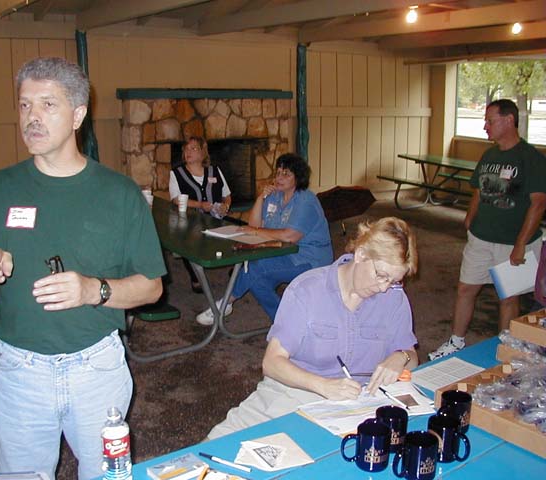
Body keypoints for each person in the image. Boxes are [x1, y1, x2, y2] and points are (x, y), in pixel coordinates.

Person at [0, 57, 166, 479]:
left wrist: (91, 290)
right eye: (24, 105)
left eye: (47, 104)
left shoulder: (119, 194)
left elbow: (152, 288)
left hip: (97, 370)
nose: (32, 117)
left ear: (78, 115)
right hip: (20, 373)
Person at [206, 217, 419, 439]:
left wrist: (401, 356)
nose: (384, 288)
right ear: (361, 254)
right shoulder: (307, 290)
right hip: (296, 391)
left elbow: (412, 358)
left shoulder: (395, 298)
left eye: (394, 281)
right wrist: (324, 386)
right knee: (217, 444)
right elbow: (272, 363)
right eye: (381, 275)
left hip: (361, 403)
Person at [429, 99, 546, 360]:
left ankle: (504, 349)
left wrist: (520, 245)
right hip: (481, 238)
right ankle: (456, 342)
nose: (485, 126)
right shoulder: (489, 155)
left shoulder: (531, 159)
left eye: (490, 121)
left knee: (508, 297)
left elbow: (538, 204)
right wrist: (470, 219)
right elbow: (479, 190)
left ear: (509, 120)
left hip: (513, 243)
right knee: (465, 288)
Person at [196, 153, 333, 325]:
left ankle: (225, 303)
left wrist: (255, 231)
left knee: (255, 269)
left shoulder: (306, 201)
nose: (279, 178)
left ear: (298, 178)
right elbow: (253, 225)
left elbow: (289, 236)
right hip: (281, 252)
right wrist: (261, 198)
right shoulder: (274, 196)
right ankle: (286, 323)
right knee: (255, 279)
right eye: (278, 172)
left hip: (308, 258)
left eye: (286, 174)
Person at [169, 136, 232, 293]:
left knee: (240, 231)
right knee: (186, 237)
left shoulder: (214, 171)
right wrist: (200, 205)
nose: (188, 152)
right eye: (186, 149)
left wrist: (225, 206)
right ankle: (195, 276)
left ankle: (237, 267)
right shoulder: (177, 173)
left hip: (216, 219)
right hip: (191, 220)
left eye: (193, 148)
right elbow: (176, 199)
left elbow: (227, 195)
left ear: (203, 152)